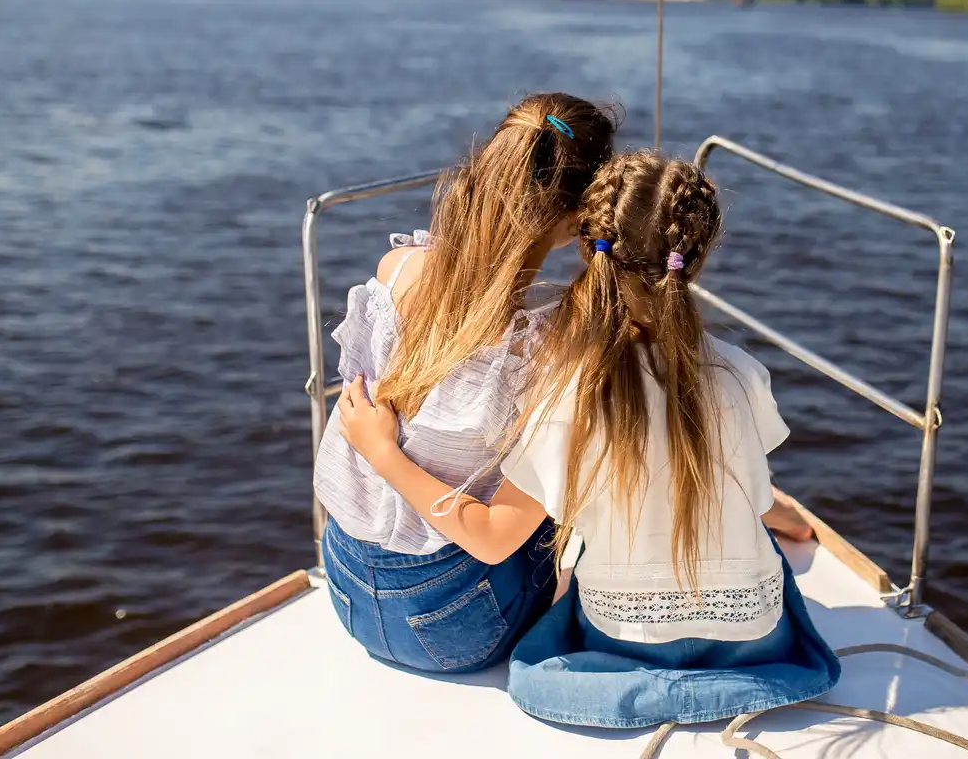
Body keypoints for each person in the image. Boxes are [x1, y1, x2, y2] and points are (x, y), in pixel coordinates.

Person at [336, 150, 839, 726]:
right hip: (752, 635)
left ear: (586, 245)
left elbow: (496, 537)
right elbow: (733, 481)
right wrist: (782, 518)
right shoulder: (744, 375)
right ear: (695, 259)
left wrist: (380, 451)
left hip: (619, 638)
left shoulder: (561, 389)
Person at [313, 92, 617, 673]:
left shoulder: (396, 270)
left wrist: (378, 445)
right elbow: (494, 542)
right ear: (580, 216)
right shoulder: (550, 349)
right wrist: (382, 452)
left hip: (347, 586)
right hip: (454, 625)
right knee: (571, 468)